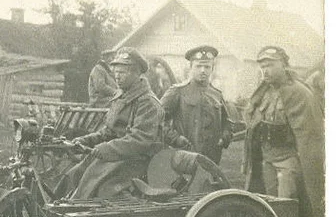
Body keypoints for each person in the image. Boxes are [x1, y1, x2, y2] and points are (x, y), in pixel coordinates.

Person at [242, 46, 324, 217]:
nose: (265, 71)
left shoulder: (299, 92)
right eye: (262, 66)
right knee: (272, 205)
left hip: (288, 159)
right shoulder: (264, 91)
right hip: (268, 158)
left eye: (270, 65)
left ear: (284, 65)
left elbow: (310, 136)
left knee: (287, 205)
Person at [55, 47, 164, 199]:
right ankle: (54, 213)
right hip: (115, 155)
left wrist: (105, 148)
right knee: (73, 175)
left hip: (136, 161)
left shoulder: (148, 102)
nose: (117, 76)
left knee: (94, 183)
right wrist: (86, 140)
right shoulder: (121, 96)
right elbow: (108, 131)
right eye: (116, 71)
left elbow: (139, 140)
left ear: (137, 74)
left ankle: (77, 216)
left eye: (123, 72)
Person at [161, 46, 232, 164]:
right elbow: (156, 120)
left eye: (207, 66)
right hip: (185, 157)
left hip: (212, 159)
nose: (203, 70)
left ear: (212, 69)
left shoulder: (216, 94)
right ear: (191, 67)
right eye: (198, 66)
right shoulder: (177, 91)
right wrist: (176, 139)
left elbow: (228, 123)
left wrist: (223, 139)